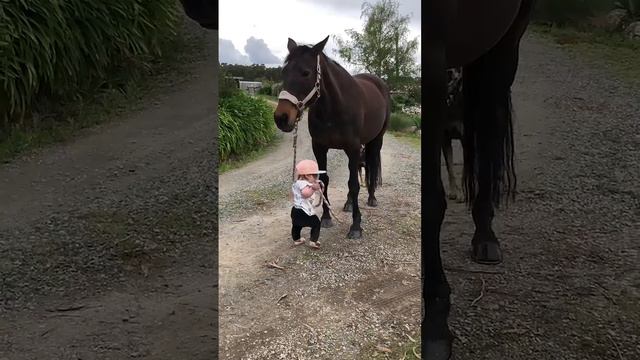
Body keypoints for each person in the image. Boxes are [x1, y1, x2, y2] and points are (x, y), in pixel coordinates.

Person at [291, 159, 326, 249]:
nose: (316, 178)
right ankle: (313, 240)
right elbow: (305, 194)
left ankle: (297, 239)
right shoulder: (304, 183)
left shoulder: (296, 183)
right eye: (315, 175)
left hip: (295, 209)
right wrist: (313, 188)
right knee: (316, 223)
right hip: (304, 210)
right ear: (307, 175)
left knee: (296, 225)